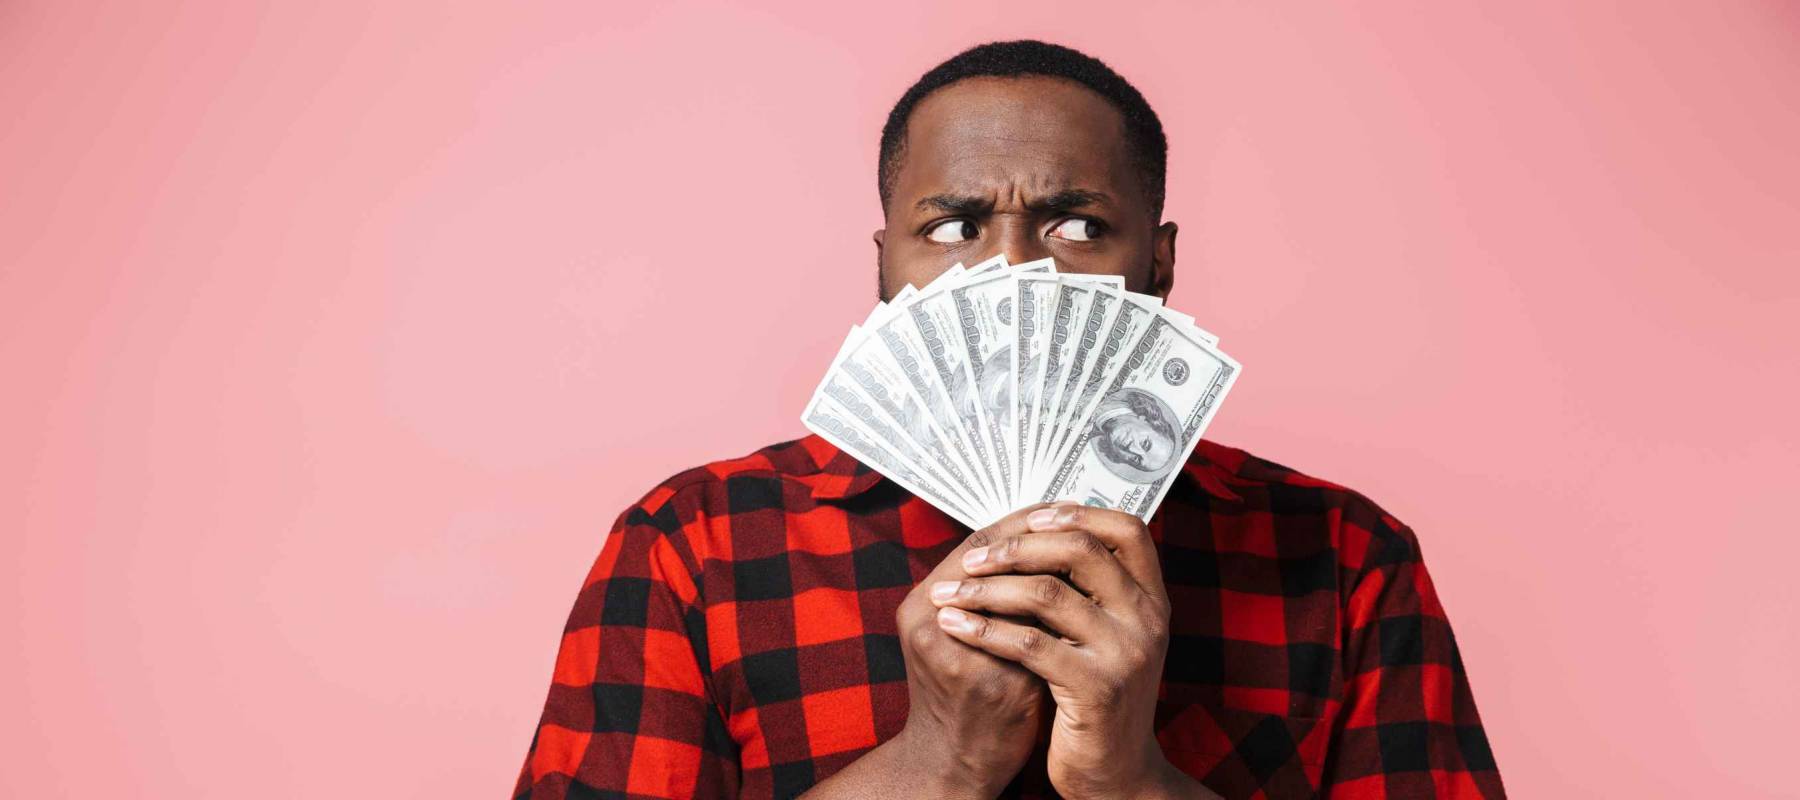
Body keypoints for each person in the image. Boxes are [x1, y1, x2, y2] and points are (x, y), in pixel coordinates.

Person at [511, 40, 1505, 800]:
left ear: (1158, 263)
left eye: (1078, 224)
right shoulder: (696, 545)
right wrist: (933, 764)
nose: (1014, 270)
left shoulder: (1341, 555)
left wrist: (1130, 780)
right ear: (885, 267)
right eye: (953, 226)